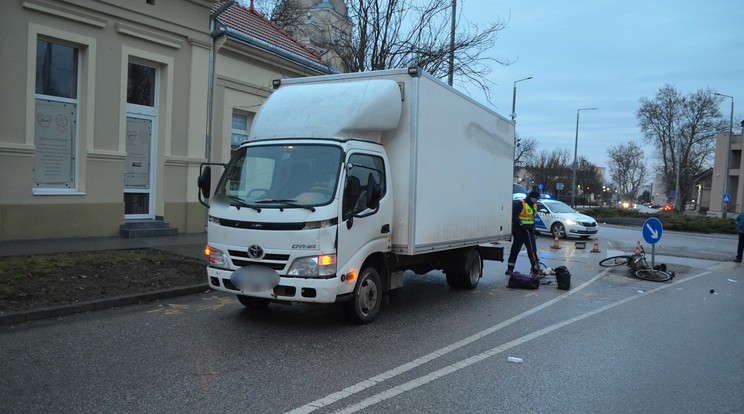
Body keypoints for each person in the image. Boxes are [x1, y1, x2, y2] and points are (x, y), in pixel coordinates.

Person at [506, 190, 541, 275]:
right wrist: (520, 224)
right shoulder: (520, 204)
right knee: (515, 250)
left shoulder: (534, 206)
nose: (537, 200)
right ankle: (510, 268)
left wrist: (534, 230)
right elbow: (514, 216)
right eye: (536, 199)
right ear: (531, 197)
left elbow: (532, 219)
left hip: (530, 231)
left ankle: (535, 268)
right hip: (520, 231)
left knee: (532, 251)